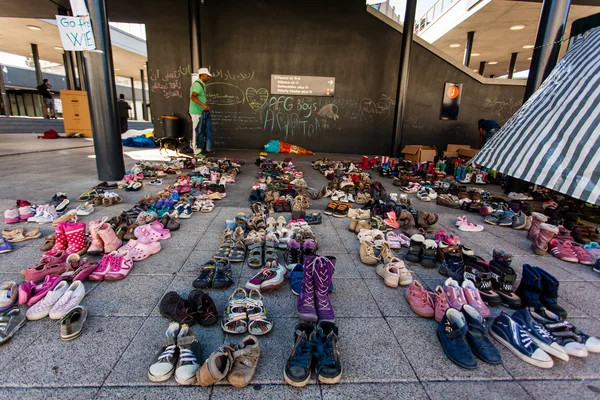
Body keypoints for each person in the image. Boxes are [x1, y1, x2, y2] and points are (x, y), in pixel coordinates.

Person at [189, 67, 214, 156]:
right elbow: (193, 97)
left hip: (201, 111)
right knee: (197, 131)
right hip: (196, 112)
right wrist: (203, 105)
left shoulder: (201, 85)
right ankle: (196, 150)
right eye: (207, 76)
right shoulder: (197, 85)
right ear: (203, 75)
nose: (209, 78)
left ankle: (203, 149)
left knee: (202, 131)